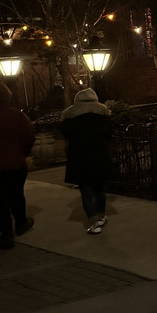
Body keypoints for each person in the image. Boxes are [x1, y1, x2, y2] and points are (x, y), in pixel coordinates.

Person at [0, 81, 36, 250]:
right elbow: (29, 136)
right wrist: (23, 152)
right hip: (15, 164)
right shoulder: (16, 116)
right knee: (16, 195)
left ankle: (6, 234)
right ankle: (21, 222)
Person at [60, 88, 113, 235]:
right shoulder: (102, 118)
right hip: (99, 158)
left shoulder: (70, 120)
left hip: (79, 160)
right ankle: (101, 215)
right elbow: (109, 135)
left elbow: (64, 133)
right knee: (99, 189)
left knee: (86, 191)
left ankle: (93, 221)